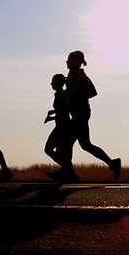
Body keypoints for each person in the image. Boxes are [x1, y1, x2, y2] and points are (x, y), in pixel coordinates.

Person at [48, 51, 121, 182]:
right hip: (80, 113)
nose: (66, 62)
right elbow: (91, 92)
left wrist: (74, 97)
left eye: (69, 60)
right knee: (85, 145)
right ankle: (112, 163)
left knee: (67, 143)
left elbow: (87, 92)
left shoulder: (78, 74)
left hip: (80, 115)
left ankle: (67, 172)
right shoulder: (75, 74)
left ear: (76, 61)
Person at [43, 73, 71, 172]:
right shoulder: (58, 95)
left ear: (59, 84)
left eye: (53, 82)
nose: (51, 84)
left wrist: (50, 118)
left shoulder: (63, 95)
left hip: (62, 127)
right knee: (59, 151)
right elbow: (59, 109)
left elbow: (63, 112)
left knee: (48, 149)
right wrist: (52, 112)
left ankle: (66, 168)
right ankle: (67, 170)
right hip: (60, 126)